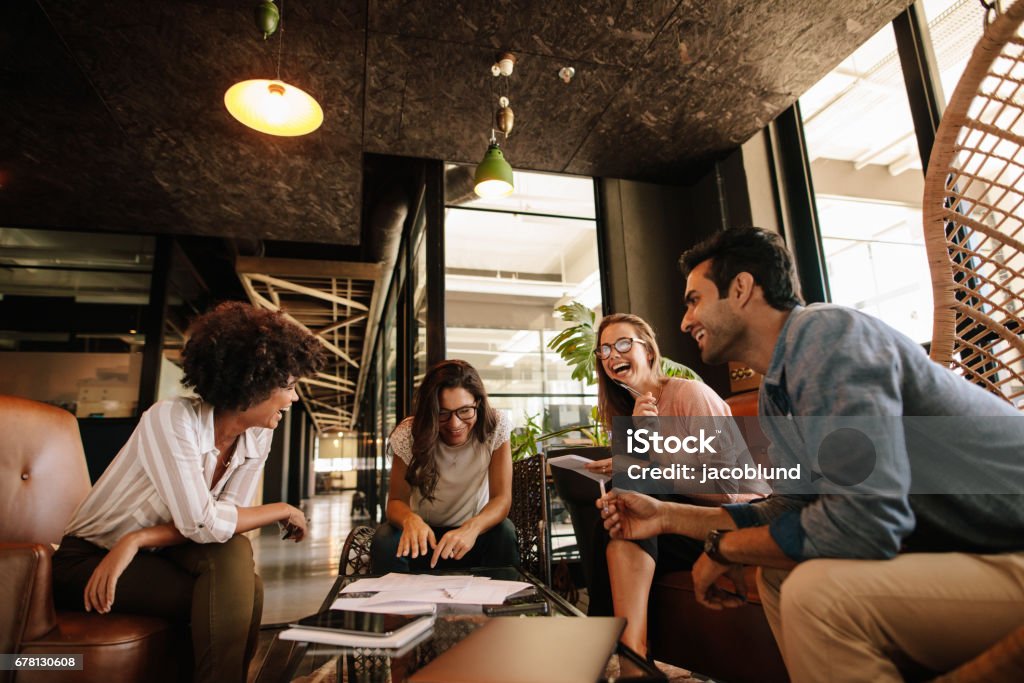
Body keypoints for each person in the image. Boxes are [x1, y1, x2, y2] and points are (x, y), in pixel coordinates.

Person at [598, 227, 1024, 682]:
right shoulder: (778, 391)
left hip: (1009, 545)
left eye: (694, 300)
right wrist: (663, 516)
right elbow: (790, 508)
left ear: (741, 289)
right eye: (604, 350)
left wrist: (727, 547)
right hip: (969, 552)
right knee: (780, 578)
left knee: (815, 594)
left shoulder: (827, 336)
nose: (684, 322)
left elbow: (865, 521)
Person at [51, 302, 324, 683]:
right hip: (88, 558)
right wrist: (281, 509)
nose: (294, 399)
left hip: (155, 550)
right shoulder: (172, 419)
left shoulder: (259, 435)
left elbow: (221, 524)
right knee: (241, 590)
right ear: (253, 383)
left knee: (235, 559)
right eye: (288, 386)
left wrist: (137, 538)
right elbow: (204, 522)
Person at [583, 312, 753, 658]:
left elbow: (727, 488)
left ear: (648, 352)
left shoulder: (690, 395)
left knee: (633, 484)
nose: (613, 354)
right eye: (604, 350)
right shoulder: (626, 415)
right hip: (672, 523)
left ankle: (622, 650)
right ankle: (623, 651)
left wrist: (653, 448)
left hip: (733, 520)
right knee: (616, 511)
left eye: (623, 344)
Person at [370, 359, 519, 572]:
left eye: (465, 411)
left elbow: (501, 499)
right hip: (423, 540)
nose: (454, 424)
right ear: (430, 410)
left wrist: (473, 527)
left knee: (504, 532)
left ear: (478, 402)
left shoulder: (495, 426)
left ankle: (500, 604)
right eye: (442, 413)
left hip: (472, 537)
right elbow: (395, 501)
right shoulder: (409, 433)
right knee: (385, 539)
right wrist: (410, 519)